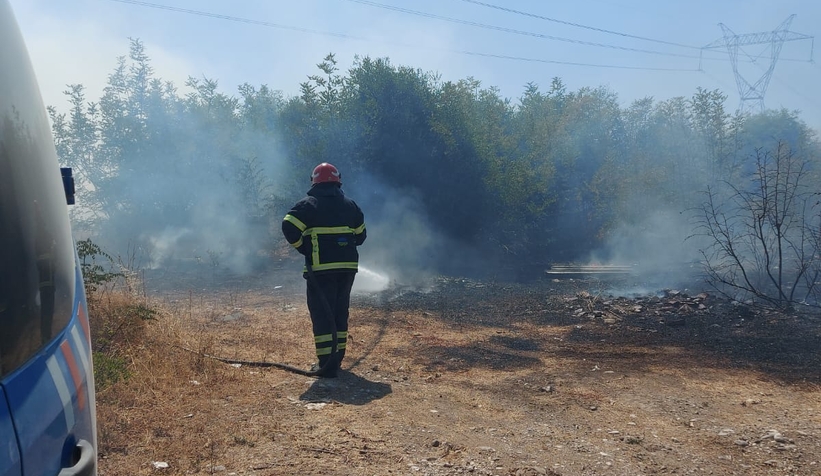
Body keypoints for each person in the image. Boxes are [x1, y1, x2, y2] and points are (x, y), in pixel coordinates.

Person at [281, 163, 366, 378]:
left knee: (322, 314)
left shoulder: (308, 205)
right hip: (347, 270)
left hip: (320, 270)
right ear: (338, 181)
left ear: (314, 181)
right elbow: (361, 236)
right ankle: (336, 360)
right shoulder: (350, 205)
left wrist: (303, 248)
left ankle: (326, 365)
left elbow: (288, 225)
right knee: (339, 312)